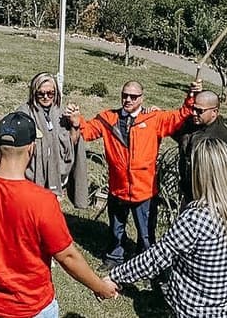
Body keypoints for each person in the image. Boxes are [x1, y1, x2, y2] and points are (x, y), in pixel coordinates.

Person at [0, 112, 119, 318]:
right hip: (31, 307)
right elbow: (67, 256)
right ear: (31, 147)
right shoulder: (42, 200)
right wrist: (99, 286)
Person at [107, 138, 227, 318]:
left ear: (201, 173)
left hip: (195, 311)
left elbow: (155, 258)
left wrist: (115, 276)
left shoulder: (196, 218)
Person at [65, 79, 199, 271]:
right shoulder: (107, 119)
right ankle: (114, 257)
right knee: (116, 228)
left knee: (146, 233)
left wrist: (192, 95)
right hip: (117, 188)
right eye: (125, 95)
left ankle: (146, 263)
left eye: (133, 97)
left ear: (141, 98)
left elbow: (181, 116)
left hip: (144, 191)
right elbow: (87, 131)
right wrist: (76, 121)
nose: (128, 99)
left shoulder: (154, 119)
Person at [16, 72, 88, 208]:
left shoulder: (61, 114)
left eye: (50, 93)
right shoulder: (23, 113)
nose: (46, 97)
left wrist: (75, 125)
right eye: (41, 93)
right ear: (33, 93)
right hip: (30, 177)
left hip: (55, 175)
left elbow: (70, 146)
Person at [173, 89, 227, 205]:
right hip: (188, 195)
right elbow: (176, 131)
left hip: (209, 201)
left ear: (214, 112)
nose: (194, 113)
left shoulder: (224, 139)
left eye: (199, 111)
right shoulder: (190, 125)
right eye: (193, 108)